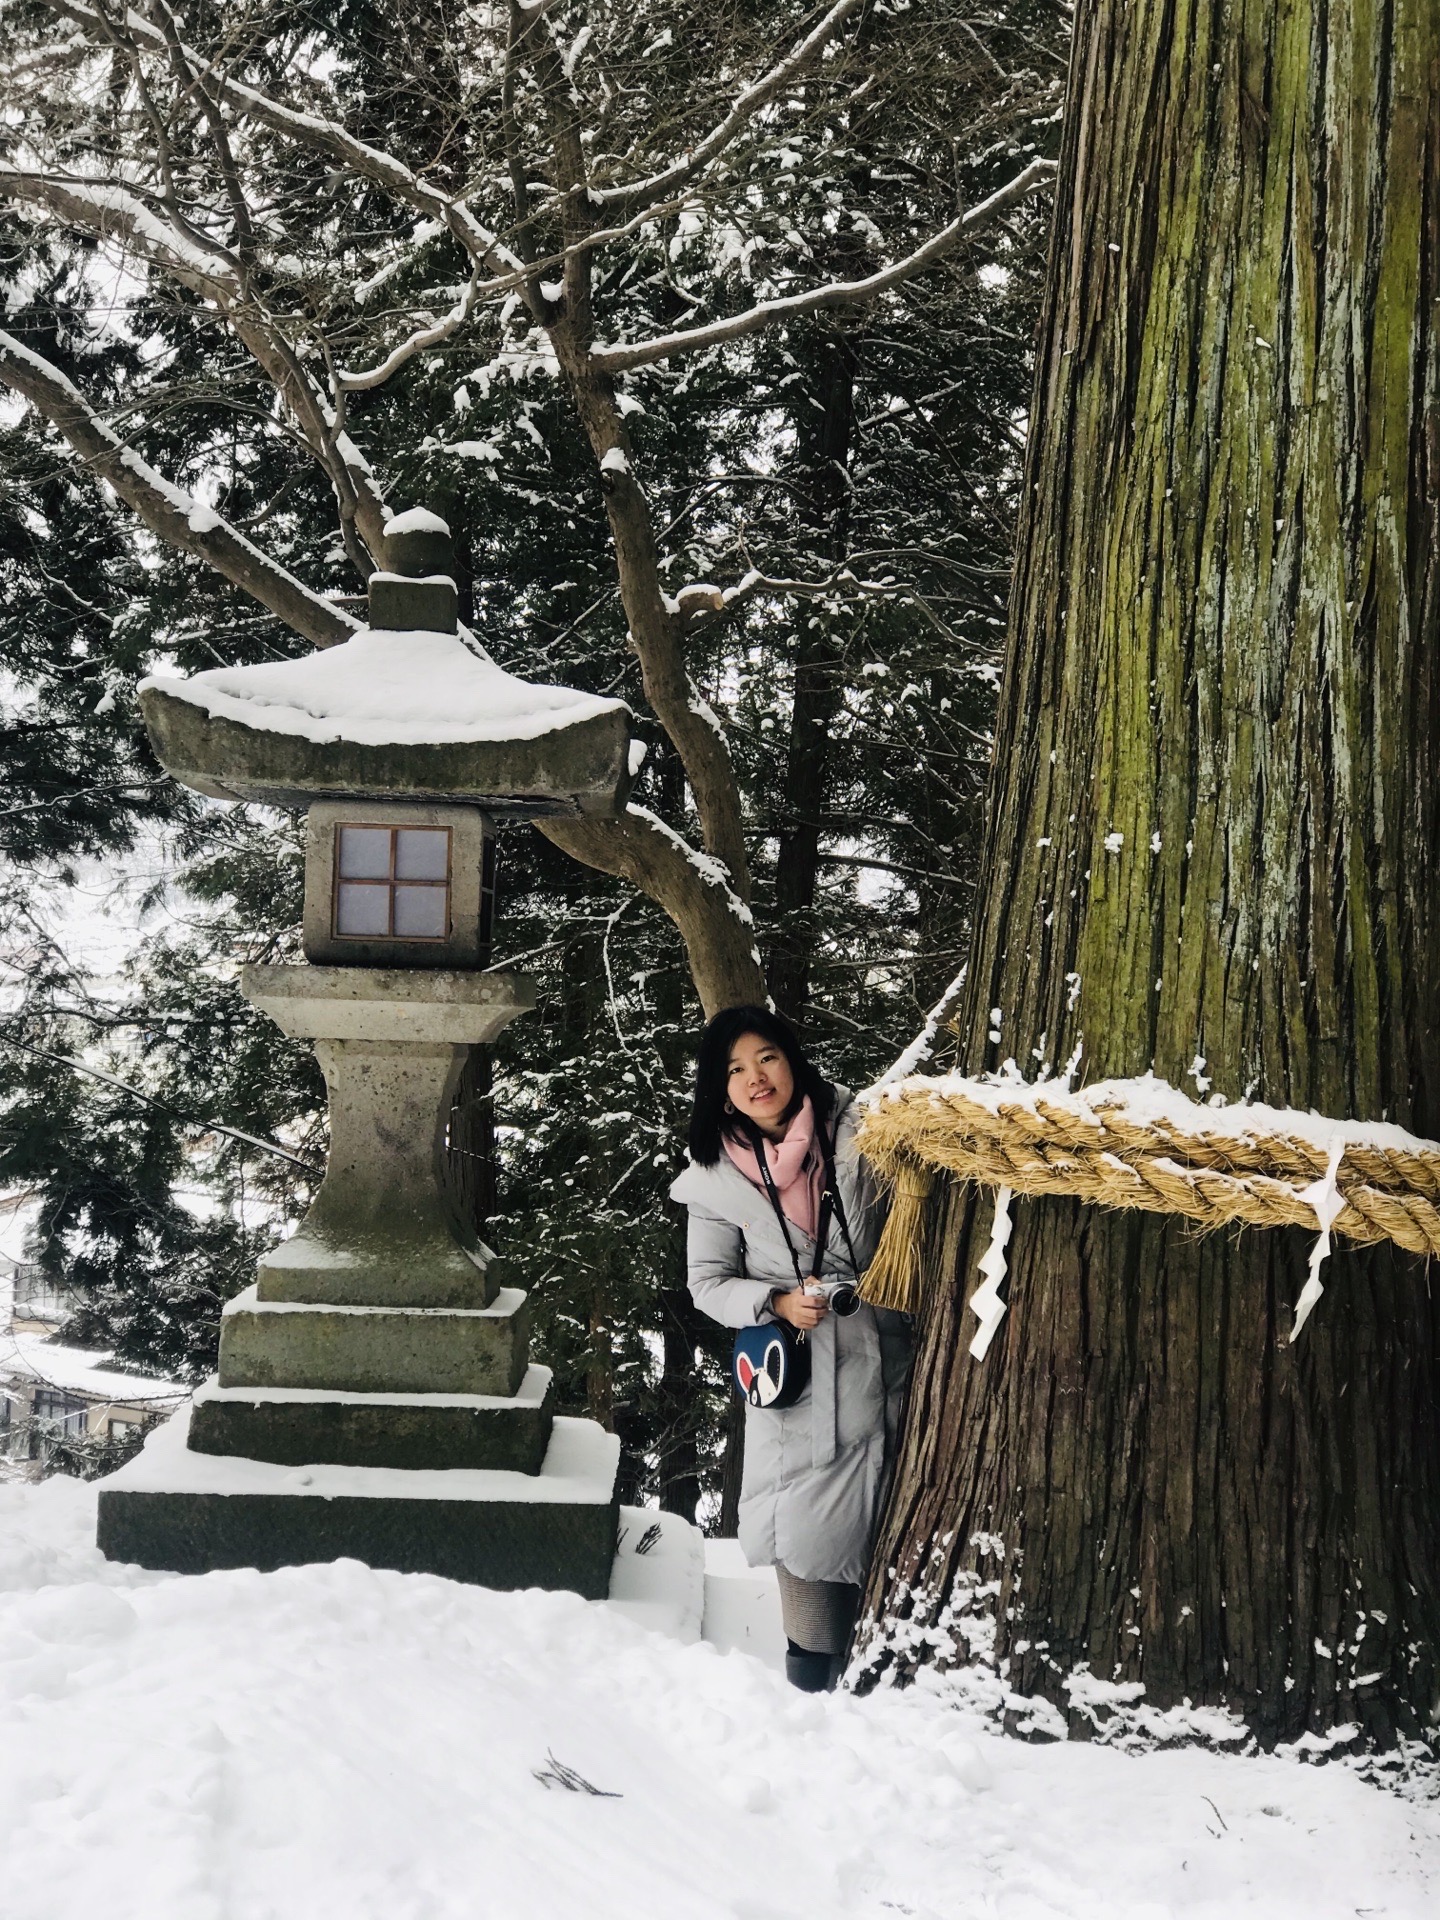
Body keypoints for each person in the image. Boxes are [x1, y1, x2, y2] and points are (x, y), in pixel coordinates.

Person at [670, 1005, 912, 1691]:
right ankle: (812, 1694)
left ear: (793, 1059)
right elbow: (706, 1283)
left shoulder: (866, 1132)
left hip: (889, 1366)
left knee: (895, 1531)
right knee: (803, 1539)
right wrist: (775, 1302)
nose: (755, 1078)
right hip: (798, 1389)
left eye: (766, 1058)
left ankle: (883, 1697)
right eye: (735, 1069)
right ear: (719, 1088)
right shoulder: (715, 1175)